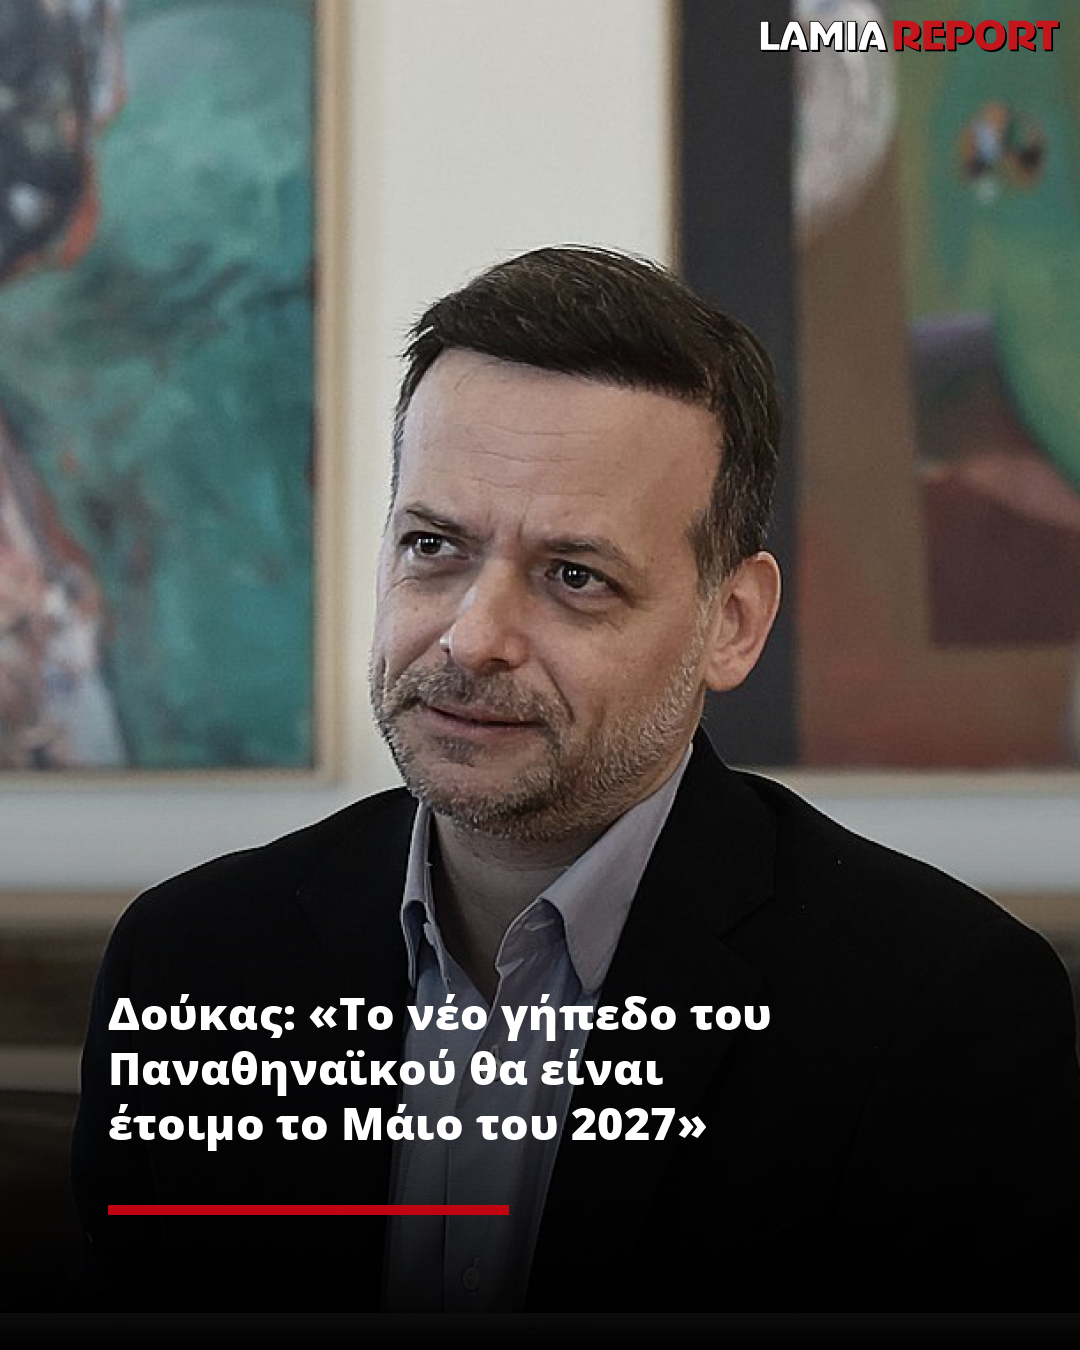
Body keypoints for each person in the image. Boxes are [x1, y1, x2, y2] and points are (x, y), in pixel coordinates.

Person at [72, 246, 1080, 1315]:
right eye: (434, 546)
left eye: (574, 576)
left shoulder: (938, 1011)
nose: (474, 638)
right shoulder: (190, 963)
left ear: (732, 624)